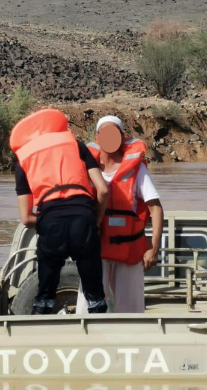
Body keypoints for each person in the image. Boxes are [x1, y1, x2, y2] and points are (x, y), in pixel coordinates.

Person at [10, 108, 109, 315]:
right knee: (95, 296)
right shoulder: (76, 146)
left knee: (45, 294)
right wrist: (96, 222)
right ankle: (99, 328)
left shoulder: (24, 159)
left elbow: (26, 218)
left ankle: (38, 327)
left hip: (50, 222)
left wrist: (47, 221)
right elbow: (103, 189)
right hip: (83, 219)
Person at [76, 115, 164, 314]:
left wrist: (154, 248)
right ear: (97, 138)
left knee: (131, 312)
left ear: (123, 138)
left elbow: (156, 208)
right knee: (85, 310)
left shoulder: (137, 169)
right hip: (94, 250)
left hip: (129, 251)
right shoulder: (85, 169)